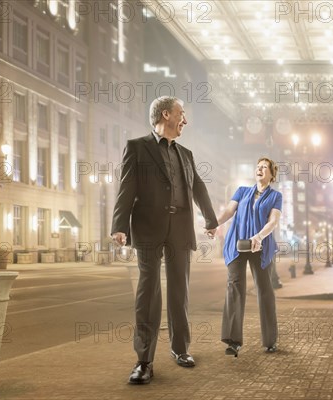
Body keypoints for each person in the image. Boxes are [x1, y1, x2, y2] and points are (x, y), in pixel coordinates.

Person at [111, 96, 218, 385]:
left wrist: (210, 219)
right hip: (147, 228)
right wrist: (119, 226)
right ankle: (144, 361)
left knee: (179, 291)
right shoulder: (138, 147)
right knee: (148, 292)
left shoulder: (186, 153)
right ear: (166, 114)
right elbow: (127, 187)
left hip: (181, 229)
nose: (185, 120)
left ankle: (180, 349)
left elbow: (197, 186)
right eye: (182, 114)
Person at [216, 157, 282, 357]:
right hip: (237, 244)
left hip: (260, 246)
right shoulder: (242, 191)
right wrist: (214, 223)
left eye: (264, 167)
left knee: (264, 290)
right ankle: (233, 341)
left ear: (271, 174)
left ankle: (270, 340)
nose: (260, 169)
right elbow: (229, 211)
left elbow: (273, 221)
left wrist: (259, 236)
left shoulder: (275, 196)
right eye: (258, 167)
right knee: (234, 287)